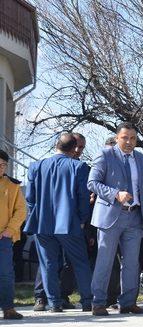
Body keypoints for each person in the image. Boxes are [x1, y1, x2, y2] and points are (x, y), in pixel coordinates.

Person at [88, 122, 143, 316]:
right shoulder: (105, 155)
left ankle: (128, 303)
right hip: (110, 216)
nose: (129, 142)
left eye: (133, 138)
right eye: (125, 137)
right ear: (117, 138)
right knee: (105, 261)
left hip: (135, 217)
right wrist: (114, 193)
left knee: (132, 263)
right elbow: (92, 183)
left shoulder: (142, 159)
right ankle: (98, 303)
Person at [24, 134, 93, 313]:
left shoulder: (36, 167)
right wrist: (82, 220)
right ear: (74, 148)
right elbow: (83, 197)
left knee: (48, 264)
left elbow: (30, 198)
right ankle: (87, 301)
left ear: (56, 145)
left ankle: (54, 303)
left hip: (42, 223)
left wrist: (35, 215)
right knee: (80, 262)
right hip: (69, 222)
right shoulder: (79, 167)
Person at [0, 149, 27, 320]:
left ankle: (8, 308)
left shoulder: (12, 185)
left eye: (3, 165)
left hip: (4, 237)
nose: (1, 168)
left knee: (5, 273)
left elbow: (21, 210)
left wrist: (10, 230)